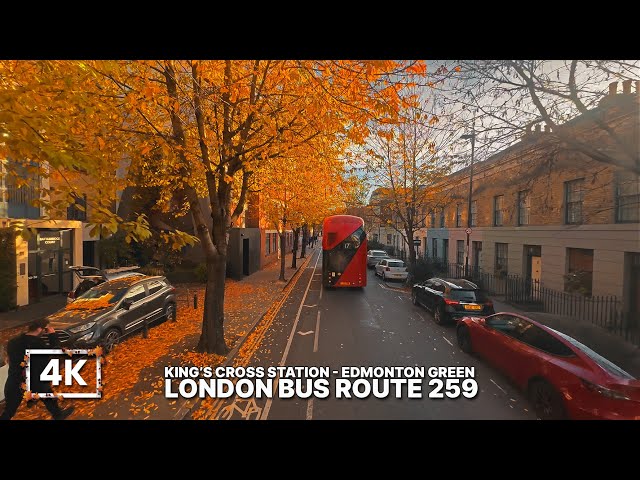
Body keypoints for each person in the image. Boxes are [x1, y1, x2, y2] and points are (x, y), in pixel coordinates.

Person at [0, 318, 74, 420]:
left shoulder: (13, 342)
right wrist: (52, 335)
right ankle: (58, 415)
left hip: (15, 380)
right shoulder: (37, 343)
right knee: (47, 395)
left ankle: (57, 414)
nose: (45, 332)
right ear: (40, 329)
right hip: (35, 379)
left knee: (9, 410)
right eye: (46, 329)